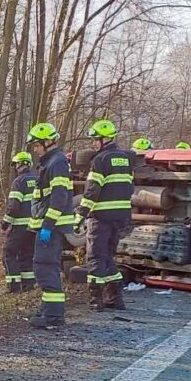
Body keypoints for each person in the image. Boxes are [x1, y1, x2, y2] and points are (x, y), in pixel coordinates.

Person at [78, 119, 135, 311]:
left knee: (95, 258)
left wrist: (81, 215)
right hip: (120, 217)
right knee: (108, 257)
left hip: (100, 217)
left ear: (106, 139)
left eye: (96, 140)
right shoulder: (127, 159)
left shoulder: (100, 160)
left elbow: (92, 191)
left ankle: (96, 302)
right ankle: (115, 299)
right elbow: (129, 187)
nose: (93, 143)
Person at [26, 123, 75, 329]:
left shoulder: (57, 163)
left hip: (51, 228)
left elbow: (59, 197)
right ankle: (48, 309)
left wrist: (47, 225)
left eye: (36, 145)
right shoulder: (52, 162)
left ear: (47, 143)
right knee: (46, 267)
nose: (34, 150)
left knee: (45, 268)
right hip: (49, 226)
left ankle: (53, 316)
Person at [1, 152, 39, 293]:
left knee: (8, 254)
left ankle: (14, 287)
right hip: (35, 227)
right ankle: (28, 285)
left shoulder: (18, 182)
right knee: (27, 255)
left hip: (20, 227)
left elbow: (13, 207)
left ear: (18, 165)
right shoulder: (38, 179)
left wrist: (5, 224)